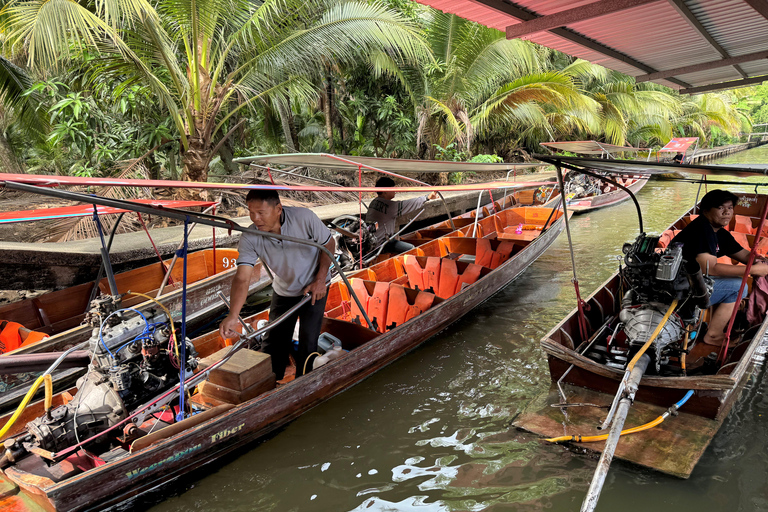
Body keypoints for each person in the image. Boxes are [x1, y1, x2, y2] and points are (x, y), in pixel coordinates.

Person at [219, 189, 334, 379]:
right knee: (273, 342)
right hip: (284, 289)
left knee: (308, 340)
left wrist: (320, 280)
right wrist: (233, 315)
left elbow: (328, 245)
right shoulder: (250, 236)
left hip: (314, 287)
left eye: (261, 213)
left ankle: (304, 384)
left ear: (278, 209)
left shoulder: (304, 218)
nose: (255, 219)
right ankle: (271, 384)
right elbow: (242, 278)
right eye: (251, 212)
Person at [671, 189, 768, 346]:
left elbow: (744, 256)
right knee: (738, 287)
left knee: (738, 281)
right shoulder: (702, 229)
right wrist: (754, 270)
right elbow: (711, 269)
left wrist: (759, 261)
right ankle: (714, 335)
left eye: (730, 208)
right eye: (720, 208)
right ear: (706, 210)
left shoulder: (719, 232)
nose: (727, 213)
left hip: (690, 282)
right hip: (680, 289)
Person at [366, 177, 438, 253]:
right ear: (385, 191)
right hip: (381, 244)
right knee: (412, 249)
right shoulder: (390, 206)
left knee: (396, 239)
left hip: (371, 242)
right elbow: (409, 204)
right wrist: (427, 197)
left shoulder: (373, 202)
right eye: (392, 188)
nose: (395, 191)